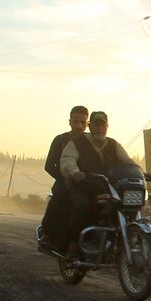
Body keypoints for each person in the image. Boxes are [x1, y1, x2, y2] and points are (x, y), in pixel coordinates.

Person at [60, 110, 151, 257]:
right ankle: (73, 244)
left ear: (106, 127)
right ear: (90, 126)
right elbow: (68, 159)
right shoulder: (77, 143)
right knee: (81, 205)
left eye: (102, 125)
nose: (99, 128)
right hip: (84, 187)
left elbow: (127, 161)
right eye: (96, 125)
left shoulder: (113, 144)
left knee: (125, 207)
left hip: (109, 188)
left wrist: (142, 173)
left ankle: (116, 239)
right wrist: (75, 172)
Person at [39, 105, 89, 249]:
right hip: (64, 182)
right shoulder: (60, 140)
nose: (79, 126)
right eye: (75, 122)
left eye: (83, 122)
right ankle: (46, 233)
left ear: (87, 124)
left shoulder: (90, 142)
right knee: (59, 195)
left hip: (86, 183)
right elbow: (49, 165)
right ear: (70, 122)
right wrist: (64, 178)